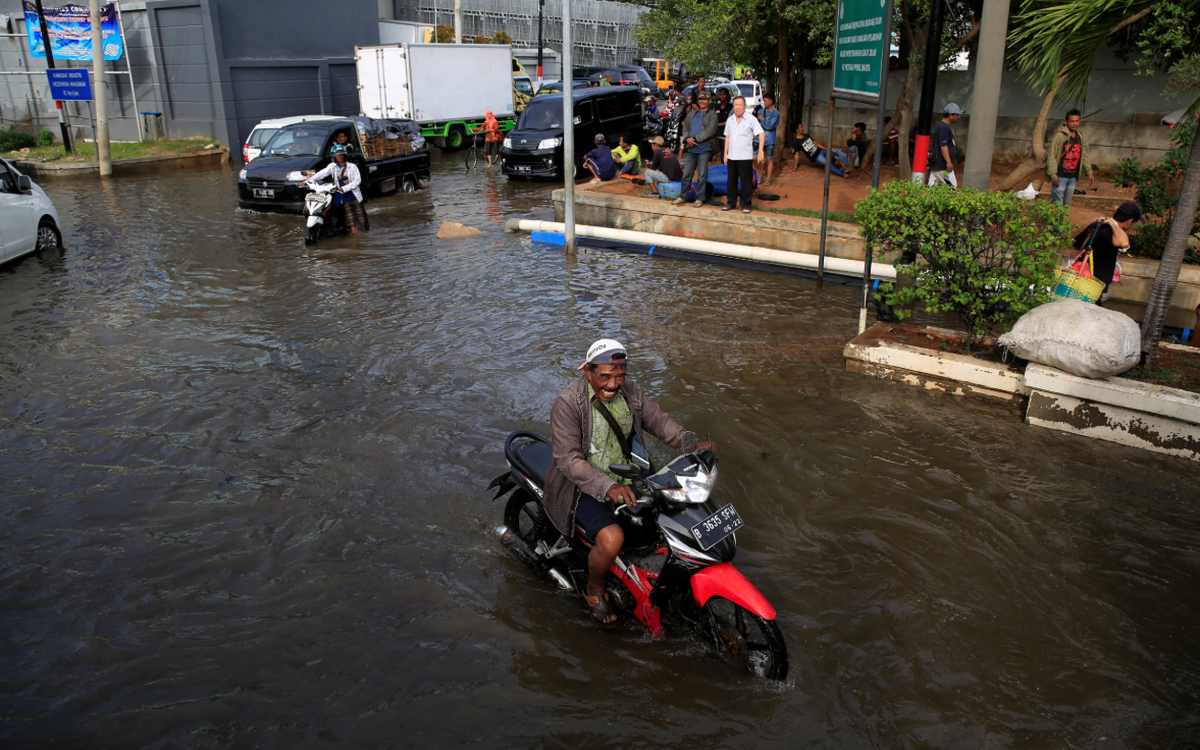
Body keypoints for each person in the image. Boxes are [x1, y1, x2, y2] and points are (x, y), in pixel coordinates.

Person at [544, 339, 714, 627]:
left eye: (619, 376)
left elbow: (658, 422)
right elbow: (569, 460)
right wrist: (607, 486)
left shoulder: (631, 392)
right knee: (613, 538)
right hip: (582, 486)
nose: (613, 384)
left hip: (630, 473)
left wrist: (690, 443)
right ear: (588, 372)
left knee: (678, 508)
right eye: (605, 376)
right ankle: (595, 588)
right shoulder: (568, 404)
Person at [1072, 202, 1143, 302]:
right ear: (1130, 221)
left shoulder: (1096, 224)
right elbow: (1124, 243)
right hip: (1094, 283)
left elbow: (1077, 244)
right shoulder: (1110, 231)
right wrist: (1112, 224)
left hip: (1080, 278)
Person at [307, 144, 368, 234]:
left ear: (344, 155)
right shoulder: (332, 166)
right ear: (334, 157)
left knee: (363, 220)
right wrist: (308, 181)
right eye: (337, 155)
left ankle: (368, 231)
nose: (340, 157)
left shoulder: (352, 167)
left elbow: (357, 181)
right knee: (351, 223)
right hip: (344, 199)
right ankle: (356, 241)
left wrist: (344, 188)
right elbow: (321, 174)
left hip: (354, 197)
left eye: (341, 155)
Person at [673, 90, 718, 207]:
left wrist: (695, 139)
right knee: (687, 174)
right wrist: (687, 138)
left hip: (704, 148)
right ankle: (683, 196)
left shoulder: (712, 115)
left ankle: (699, 198)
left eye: (705, 99)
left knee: (702, 175)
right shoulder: (691, 114)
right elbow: (686, 128)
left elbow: (710, 131)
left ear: (709, 101)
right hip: (692, 149)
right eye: (700, 99)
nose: (702, 101)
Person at [722, 95, 764, 214]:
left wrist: (760, 150)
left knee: (746, 181)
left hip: (745, 156)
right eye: (735, 105)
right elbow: (727, 137)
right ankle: (731, 202)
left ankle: (746, 204)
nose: (738, 107)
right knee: (731, 180)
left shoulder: (751, 119)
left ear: (744, 106)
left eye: (740, 105)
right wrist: (725, 153)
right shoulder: (730, 120)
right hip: (732, 156)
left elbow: (761, 134)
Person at [1047, 109, 1095, 206]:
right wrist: (1053, 174)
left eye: (1077, 121)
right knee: (1057, 205)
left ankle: (1062, 221)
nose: (1075, 124)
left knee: (1066, 205)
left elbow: (1085, 155)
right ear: (1066, 122)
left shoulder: (1082, 137)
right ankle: (1055, 222)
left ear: (1080, 120)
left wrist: (1089, 172)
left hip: (1073, 177)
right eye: (1072, 121)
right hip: (1060, 176)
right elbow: (1052, 155)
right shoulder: (1059, 136)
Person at [927, 103, 962, 188]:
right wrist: (948, 162)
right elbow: (943, 145)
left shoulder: (944, 126)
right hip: (942, 165)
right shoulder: (944, 127)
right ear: (950, 115)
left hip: (937, 165)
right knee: (952, 186)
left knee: (932, 187)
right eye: (956, 114)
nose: (958, 116)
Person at [756, 93, 779, 187]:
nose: (764, 102)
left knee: (769, 159)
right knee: (756, 158)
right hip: (759, 139)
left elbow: (770, 126)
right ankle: (760, 174)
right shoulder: (761, 111)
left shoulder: (775, 113)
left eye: (765, 101)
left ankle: (768, 179)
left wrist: (762, 119)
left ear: (771, 101)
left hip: (769, 139)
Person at [713, 87, 732, 164]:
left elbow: (728, 122)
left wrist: (717, 124)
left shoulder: (731, 108)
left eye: (724, 94)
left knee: (725, 156)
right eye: (721, 94)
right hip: (716, 136)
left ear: (727, 95)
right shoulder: (716, 107)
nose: (722, 96)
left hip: (726, 136)